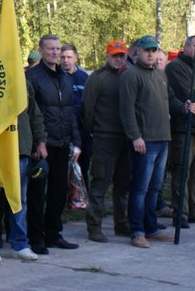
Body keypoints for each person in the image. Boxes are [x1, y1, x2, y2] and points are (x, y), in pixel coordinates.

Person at [119, 35, 195, 248]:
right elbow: (126, 110)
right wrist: (135, 136)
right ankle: (137, 231)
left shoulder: (160, 74)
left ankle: (150, 227)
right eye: (147, 50)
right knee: (140, 188)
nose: (151, 54)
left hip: (163, 139)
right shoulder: (131, 75)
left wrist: (184, 106)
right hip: (145, 141)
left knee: (155, 188)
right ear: (138, 52)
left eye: (154, 50)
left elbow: (170, 99)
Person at [0, 44, 46, 263]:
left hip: (20, 149)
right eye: (0, 56)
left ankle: (19, 244)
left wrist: (40, 141)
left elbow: (34, 114)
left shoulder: (23, 83)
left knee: (19, 199)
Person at [25, 35, 81, 254]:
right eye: (50, 49)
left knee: (58, 192)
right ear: (41, 50)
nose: (55, 53)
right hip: (41, 147)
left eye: (58, 49)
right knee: (37, 194)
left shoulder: (65, 78)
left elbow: (70, 112)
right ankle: (35, 238)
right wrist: (36, 144)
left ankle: (53, 234)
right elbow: (28, 114)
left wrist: (76, 142)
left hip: (62, 143)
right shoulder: (32, 77)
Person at [83, 41, 132, 242]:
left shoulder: (129, 76)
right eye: (115, 55)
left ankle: (121, 223)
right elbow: (87, 109)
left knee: (124, 185)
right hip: (104, 139)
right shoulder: (97, 78)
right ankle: (94, 227)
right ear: (107, 56)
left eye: (121, 55)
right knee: (100, 185)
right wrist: (96, 130)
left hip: (126, 139)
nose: (118, 59)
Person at [164, 36, 195, 226]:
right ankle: (180, 212)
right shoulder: (176, 67)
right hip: (183, 127)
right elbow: (186, 93)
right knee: (182, 171)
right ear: (187, 47)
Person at [60, 44, 91, 188]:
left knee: (83, 166)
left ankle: (83, 194)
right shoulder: (57, 76)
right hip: (63, 129)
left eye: (69, 57)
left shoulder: (84, 77)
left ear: (75, 58)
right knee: (63, 168)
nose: (66, 60)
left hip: (83, 128)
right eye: (63, 57)